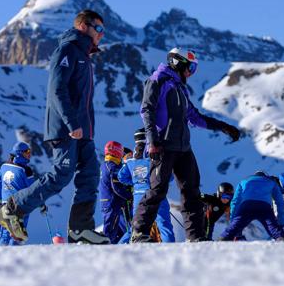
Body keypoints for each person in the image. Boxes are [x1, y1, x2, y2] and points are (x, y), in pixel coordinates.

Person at [0, 10, 109, 244]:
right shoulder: (67, 50)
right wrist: (72, 123)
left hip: (83, 132)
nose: (101, 35)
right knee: (61, 175)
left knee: (90, 173)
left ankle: (80, 230)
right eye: (98, 29)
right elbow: (57, 89)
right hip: (66, 128)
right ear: (83, 26)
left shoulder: (84, 56)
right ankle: (12, 208)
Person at [131, 49, 241, 243]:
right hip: (162, 144)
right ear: (177, 63)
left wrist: (223, 127)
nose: (191, 72)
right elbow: (146, 109)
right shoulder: (158, 81)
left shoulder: (179, 87)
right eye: (190, 67)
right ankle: (139, 233)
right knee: (157, 190)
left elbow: (194, 116)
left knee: (192, 192)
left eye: (195, 68)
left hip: (182, 147)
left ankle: (196, 236)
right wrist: (153, 139)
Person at [119, 128, 175, 243]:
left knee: (136, 226)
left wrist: (137, 183)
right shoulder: (155, 157)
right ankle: (171, 247)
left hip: (138, 197)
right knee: (164, 224)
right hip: (155, 193)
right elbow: (170, 177)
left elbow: (121, 177)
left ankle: (120, 248)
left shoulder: (131, 161)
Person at [219, 172, 284, 241]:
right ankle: (282, 239)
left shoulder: (243, 181)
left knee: (232, 230)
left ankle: (223, 239)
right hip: (264, 207)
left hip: (246, 206)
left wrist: (233, 220)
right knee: (274, 229)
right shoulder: (271, 182)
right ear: (265, 176)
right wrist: (281, 222)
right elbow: (280, 202)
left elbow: (235, 201)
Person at [0, 142, 37, 245]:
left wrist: (0, 199)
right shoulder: (26, 170)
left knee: (5, 233)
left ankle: (0, 256)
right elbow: (33, 189)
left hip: (5, 205)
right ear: (19, 153)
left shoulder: (4, 166)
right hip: (20, 205)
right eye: (27, 152)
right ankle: (13, 258)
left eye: (29, 151)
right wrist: (41, 204)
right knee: (18, 234)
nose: (29, 154)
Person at [99, 141, 132, 244]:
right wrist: (129, 196)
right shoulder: (112, 166)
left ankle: (112, 244)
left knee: (115, 228)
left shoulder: (106, 165)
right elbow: (116, 187)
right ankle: (106, 245)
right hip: (113, 202)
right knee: (110, 228)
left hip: (107, 201)